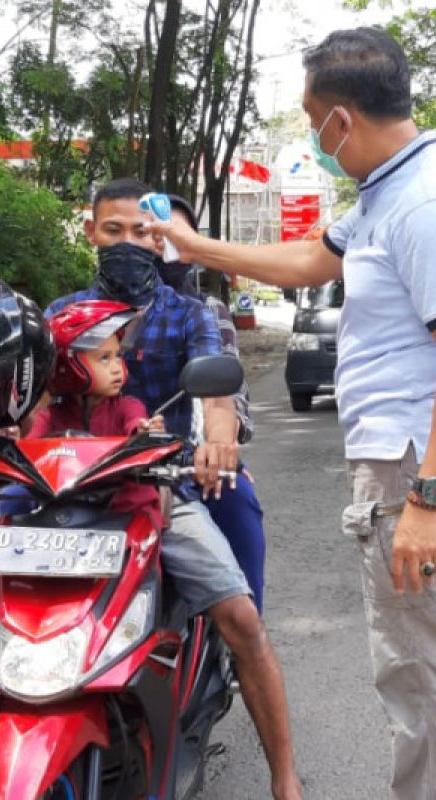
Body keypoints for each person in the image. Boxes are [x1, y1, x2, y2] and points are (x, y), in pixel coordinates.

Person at [152, 28, 436, 799]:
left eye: (313, 118)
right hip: (414, 456)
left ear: (342, 117)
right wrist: (194, 246)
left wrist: (427, 502)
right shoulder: (388, 189)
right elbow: (313, 260)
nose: (312, 136)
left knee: (422, 676)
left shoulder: (429, 202)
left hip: (416, 463)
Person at [48, 177, 303, 800]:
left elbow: (217, 395)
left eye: (142, 232)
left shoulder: (189, 313)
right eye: (114, 231)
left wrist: (218, 442)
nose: (128, 244)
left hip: (169, 481)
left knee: (240, 612)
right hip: (68, 488)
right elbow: (22, 398)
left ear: (161, 239)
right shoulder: (60, 317)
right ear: (91, 233)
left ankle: (284, 775)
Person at [161, 194, 268, 612]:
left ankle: (247, 644)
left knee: (235, 496)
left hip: (187, 464)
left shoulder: (207, 311)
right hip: (106, 467)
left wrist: (220, 446)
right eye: (152, 236)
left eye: (176, 238)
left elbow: (227, 397)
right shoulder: (90, 310)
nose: (163, 248)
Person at [14, 300, 165, 525]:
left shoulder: (127, 406)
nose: (116, 368)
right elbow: (29, 450)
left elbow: (136, 423)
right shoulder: (52, 415)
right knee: (14, 501)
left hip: (130, 514)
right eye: (104, 358)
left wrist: (145, 432)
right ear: (68, 365)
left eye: (118, 356)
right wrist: (11, 448)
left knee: (208, 559)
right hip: (69, 516)